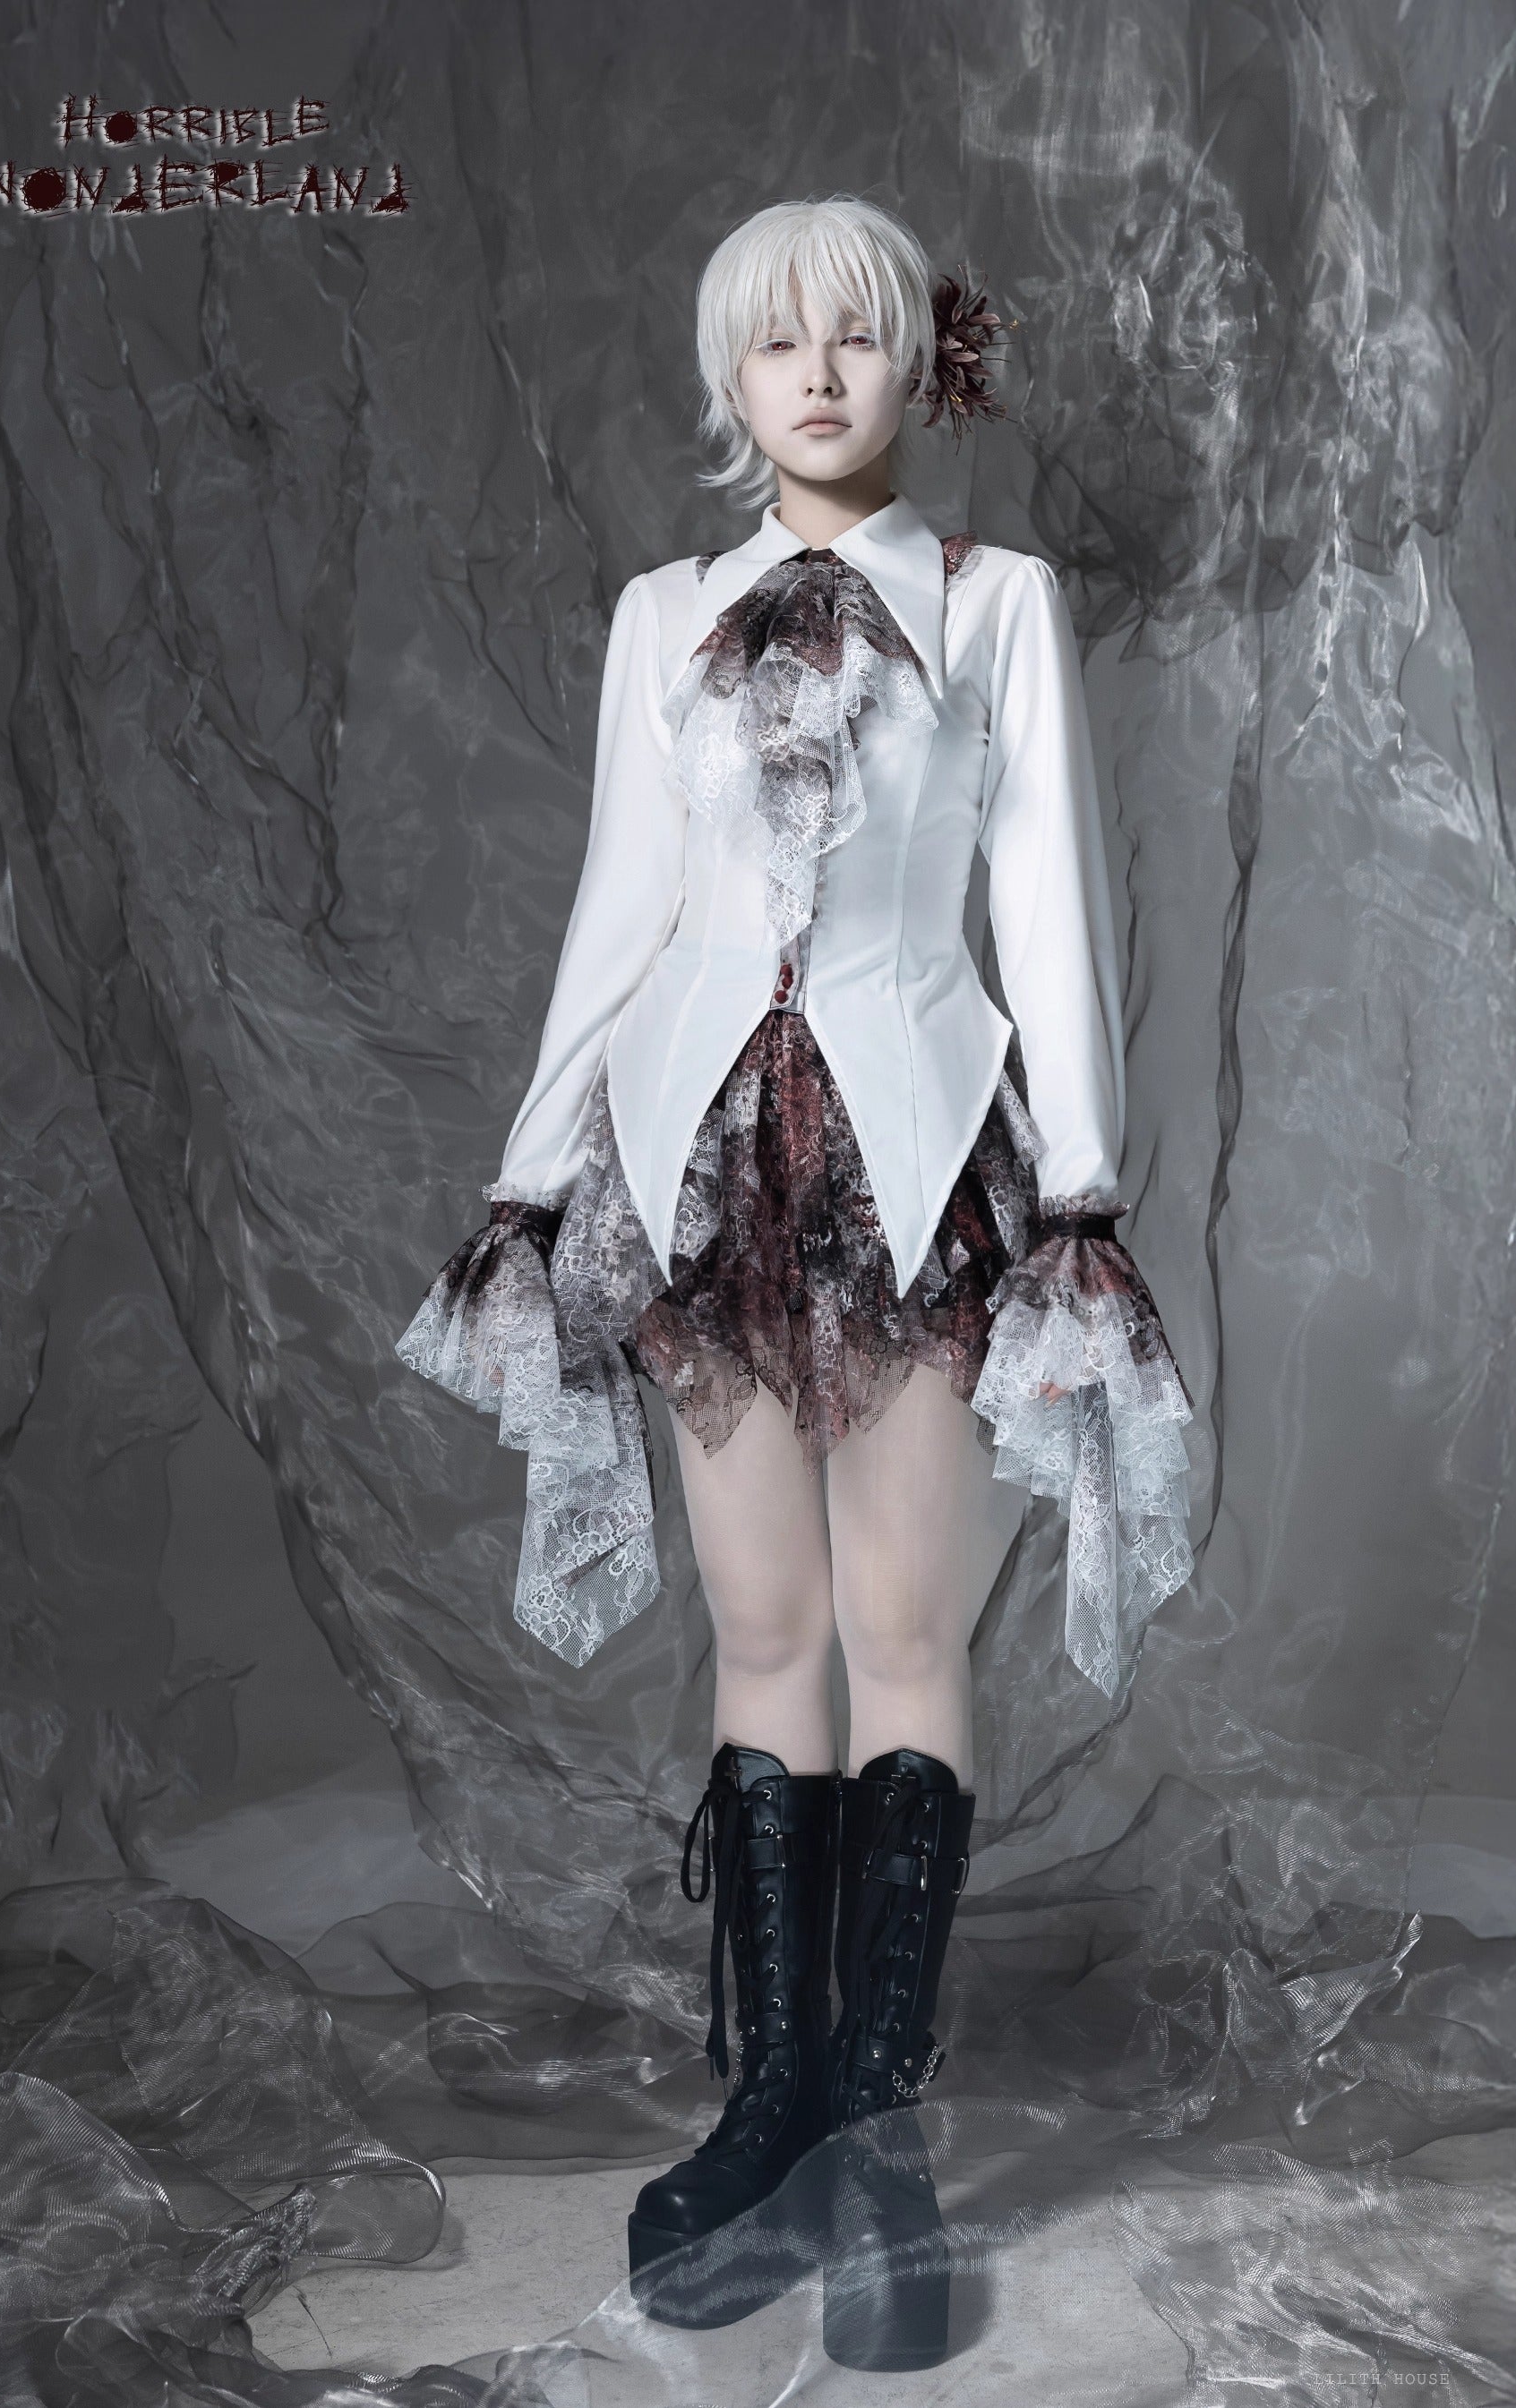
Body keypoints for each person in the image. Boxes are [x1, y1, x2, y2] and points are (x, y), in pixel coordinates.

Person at [397, 193, 1194, 2371]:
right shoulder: (662, 614)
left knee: (904, 1628)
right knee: (763, 1632)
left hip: (916, 1159)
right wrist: (531, 1171)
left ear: (923, 364)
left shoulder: (995, 602)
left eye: (858, 337)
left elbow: (1053, 903)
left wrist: (1084, 1187)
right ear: (729, 379)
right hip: (696, 1169)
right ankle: (771, 2105)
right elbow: (623, 900)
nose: (818, 376)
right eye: (777, 343)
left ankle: (883, 2134)